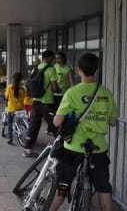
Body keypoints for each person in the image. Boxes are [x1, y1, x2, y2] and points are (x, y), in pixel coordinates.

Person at [49, 53, 118, 211]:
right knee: (103, 187)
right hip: (98, 148)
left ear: (78, 70)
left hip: (74, 147)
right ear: (96, 69)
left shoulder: (72, 93)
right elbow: (113, 122)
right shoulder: (106, 93)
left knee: (64, 184)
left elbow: (56, 122)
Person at [23, 50, 58, 157]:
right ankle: (61, 149)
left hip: (36, 101)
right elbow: (54, 87)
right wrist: (56, 91)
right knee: (55, 125)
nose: (53, 61)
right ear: (48, 58)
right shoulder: (51, 69)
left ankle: (27, 149)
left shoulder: (36, 67)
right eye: (52, 58)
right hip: (47, 102)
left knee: (34, 126)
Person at [4, 72, 26, 145]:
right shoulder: (22, 88)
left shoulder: (10, 87)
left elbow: (6, 96)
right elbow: (24, 97)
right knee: (20, 120)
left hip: (11, 109)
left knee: (10, 123)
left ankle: (10, 139)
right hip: (20, 108)